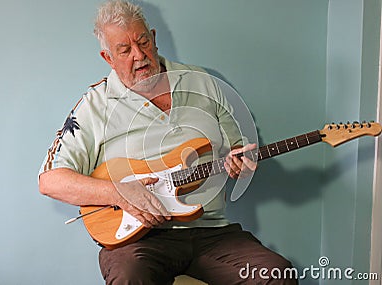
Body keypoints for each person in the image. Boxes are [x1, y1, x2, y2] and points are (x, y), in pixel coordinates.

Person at [39, 1, 298, 284]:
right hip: (138, 240)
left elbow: (238, 151)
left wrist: (242, 163)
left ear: (154, 37)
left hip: (212, 232)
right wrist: (119, 193)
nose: (139, 55)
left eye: (143, 42)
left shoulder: (203, 82)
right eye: (125, 50)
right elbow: (50, 181)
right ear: (108, 57)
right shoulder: (95, 105)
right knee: (129, 277)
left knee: (276, 274)